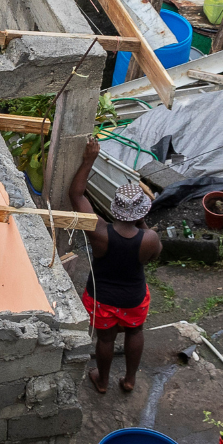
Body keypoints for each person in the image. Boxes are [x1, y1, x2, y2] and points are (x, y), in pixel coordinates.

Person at [68, 141, 161, 394]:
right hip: (134, 297)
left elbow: (76, 195)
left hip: (102, 298)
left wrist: (89, 160)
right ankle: (130, 379)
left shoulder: (100, 231)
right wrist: (141, 222)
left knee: (106, 338)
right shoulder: (149, 238)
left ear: (115, 208)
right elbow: (153, 256)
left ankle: (103, 380)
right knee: (135, 331)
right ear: (141, 212)